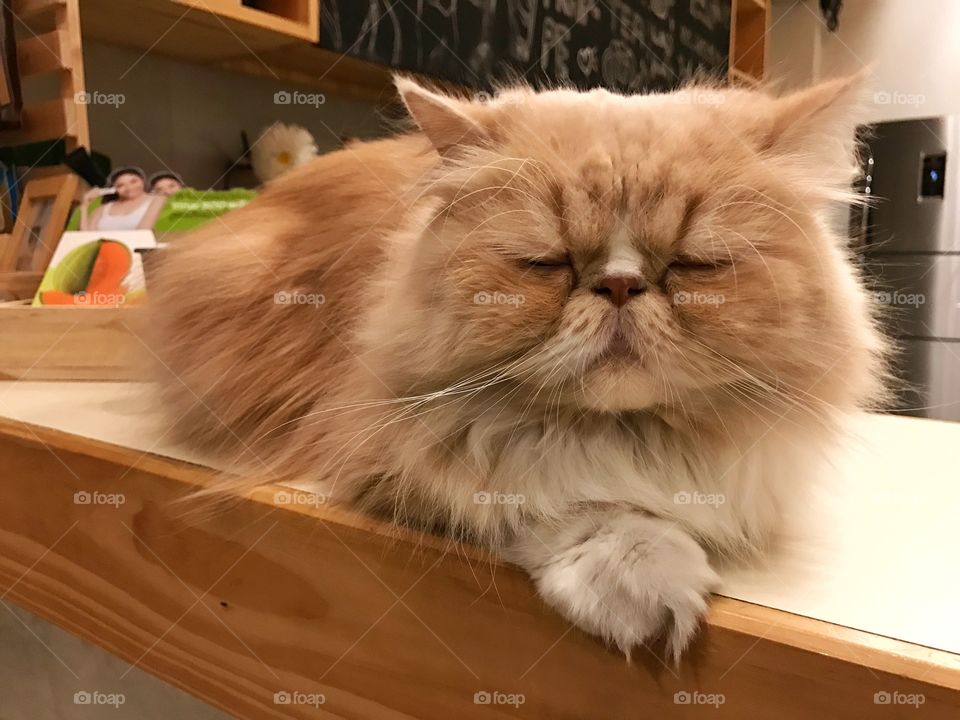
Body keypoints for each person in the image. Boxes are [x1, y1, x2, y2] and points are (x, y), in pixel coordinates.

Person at [80, 167, 166, 231]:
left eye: (133, 181)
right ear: (114, 189)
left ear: (142, 181)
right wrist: (84, 206)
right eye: (121, 185)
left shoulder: (157, 200)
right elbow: (86, 236)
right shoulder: (103, 209)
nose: (128, 188)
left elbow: (143, 232)